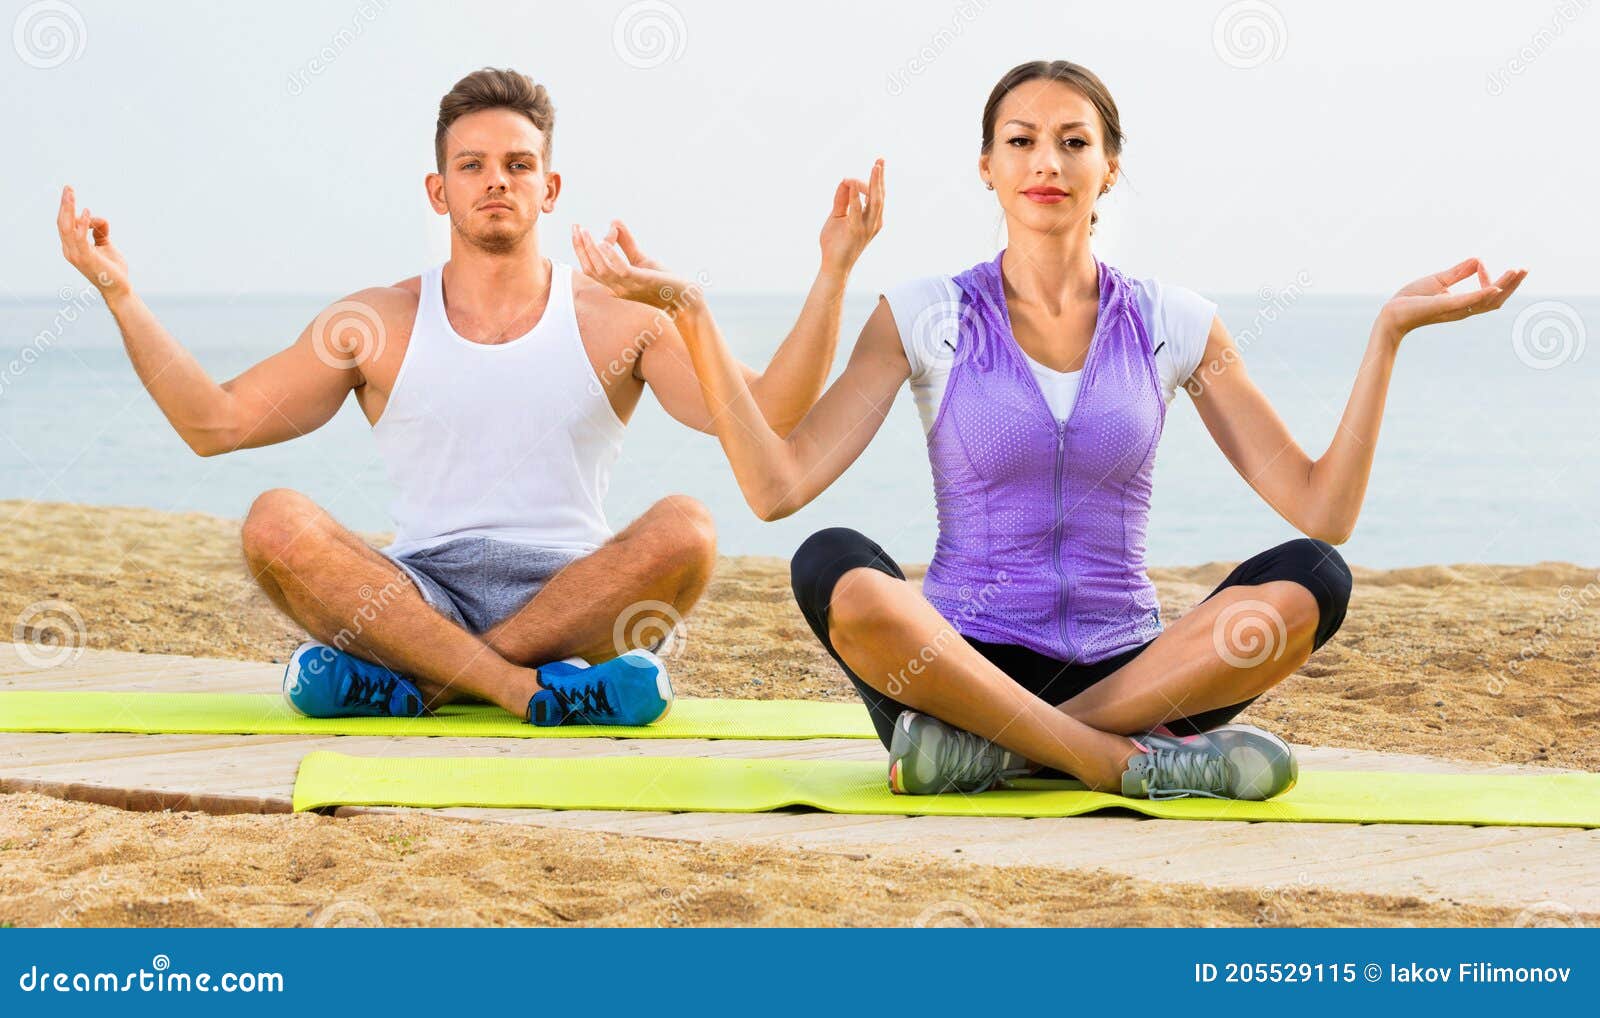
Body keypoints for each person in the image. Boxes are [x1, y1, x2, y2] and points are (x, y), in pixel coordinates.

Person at [571, 59, 1527, 799]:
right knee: (831, 561)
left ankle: (1010, 752)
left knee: (1313, 579)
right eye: (1021, 141)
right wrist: (692, 311)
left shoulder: (1176, 320)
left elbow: (1324, 506)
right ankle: (1116, 762)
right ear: (986, 168)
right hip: (953, 665)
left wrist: (1388, 335)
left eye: (1074, 142)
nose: (1047, 162)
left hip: (1130, 665)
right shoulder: (923, 313)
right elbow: (778, 489)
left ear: (1110, 168)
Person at [55, 67, 884, 727]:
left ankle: (426, 684)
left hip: (576, 594)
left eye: (519, 165)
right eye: (473, 165)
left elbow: (769, 414)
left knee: (688, 529)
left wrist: (835, 270)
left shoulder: (622, 320)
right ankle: (526, 689)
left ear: (549, 189)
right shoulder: (373, 321)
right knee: (274, 520)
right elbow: (214, 424)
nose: (497, 181)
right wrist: (119, 294)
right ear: (437, 189)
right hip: (417, 593)